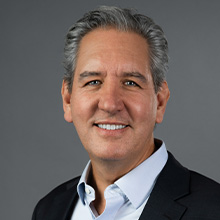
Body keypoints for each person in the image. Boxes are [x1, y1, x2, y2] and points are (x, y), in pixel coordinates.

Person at [32, 6, 220, 220]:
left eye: (130, 83)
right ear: (68, 99)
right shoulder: (49, 209)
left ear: (159, 101)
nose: (110, 104)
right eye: (93, 82)